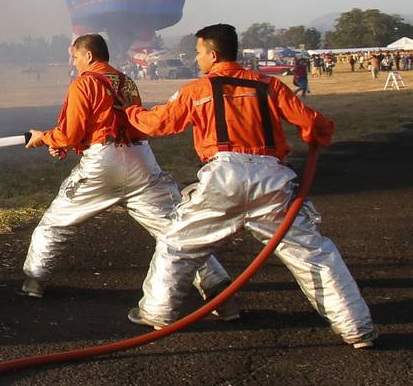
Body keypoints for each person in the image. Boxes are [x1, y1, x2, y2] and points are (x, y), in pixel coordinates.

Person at [123, 24, 377, 348]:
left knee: (177, 245)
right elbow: (312, 123)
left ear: (212, 54)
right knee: (314, 254)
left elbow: (159, 123)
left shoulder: (196, 90)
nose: (197, 58)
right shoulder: (269, 86)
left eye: (199, 52)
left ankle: (158, 313)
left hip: (222, 178)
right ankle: (357, 329)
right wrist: (318, 133)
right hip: (271, 180)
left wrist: (129, 112)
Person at [20, 34, 238, 316]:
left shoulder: (83, 82)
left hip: (102, 163)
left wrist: (45, 138)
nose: (73, 62)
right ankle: (219, 291)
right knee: (176, 231)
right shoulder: (126, 81)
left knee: (55, 223)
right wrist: (67, 143)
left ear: (88, 56)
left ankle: (34, 280)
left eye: (74, 57)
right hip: (141, 160)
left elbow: (71, 131)